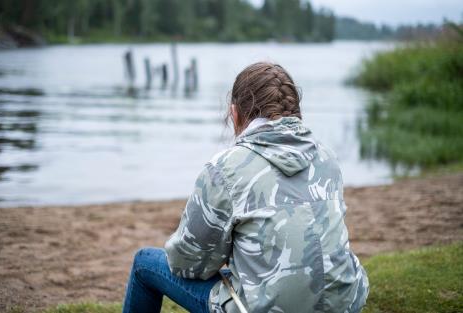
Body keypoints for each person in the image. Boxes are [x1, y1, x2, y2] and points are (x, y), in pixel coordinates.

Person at [122, 62, 369, 313]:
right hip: (345, 305)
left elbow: (187, 262)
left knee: (145, 264)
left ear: (235, 113)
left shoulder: (225, 168)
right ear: (295, 111)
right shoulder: (327, 158)